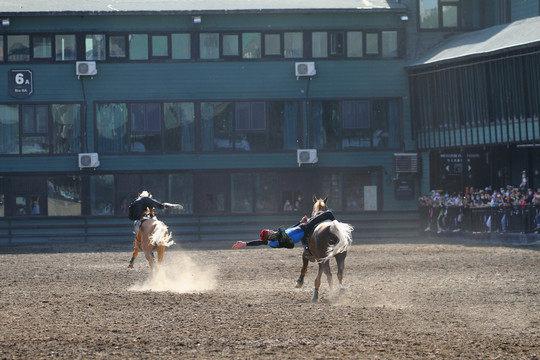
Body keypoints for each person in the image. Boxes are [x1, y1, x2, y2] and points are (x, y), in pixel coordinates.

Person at [128, 190, 183, 268]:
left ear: (140, 196)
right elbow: (160, 206)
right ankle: (172, 205)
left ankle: (137, 245)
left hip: (140, 220)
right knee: (159, 218)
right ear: (149, 196)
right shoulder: (148, 200)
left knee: (137, 229)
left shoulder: (134, 203)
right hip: (152, 218)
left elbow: (131, 217)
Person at [232, 210, 335, 250]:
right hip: (305, 229)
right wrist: (245, 243)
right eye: (269, 231)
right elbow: (259, 242)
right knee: (328, 214)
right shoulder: (272, 241)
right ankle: (338, 229)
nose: (272, 230)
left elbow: (291, 229)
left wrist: (300, 221)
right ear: (268, 236)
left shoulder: (279, 236)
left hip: (303, 227)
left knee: (317, 214)